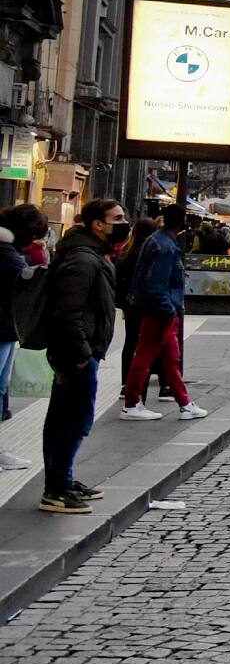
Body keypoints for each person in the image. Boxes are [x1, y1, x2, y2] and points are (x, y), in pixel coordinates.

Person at [38, 200, 127, 515]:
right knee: (74, 421)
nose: (123, 222)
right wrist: (82, 354)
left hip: (79, 349)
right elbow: (68, 310)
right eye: (116, 218)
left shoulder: (90, 255)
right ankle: (56, 490)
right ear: (97, 225)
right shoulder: (84, 259)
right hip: (76, 352)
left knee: (63, 419)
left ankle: (63, 479)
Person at [123, 212, 201, 420]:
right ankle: (132, 403)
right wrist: (169, 311)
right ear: (182, 226)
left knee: (170, 359)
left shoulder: (155, 240)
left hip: (158, 309)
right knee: (147, 356)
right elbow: (157, 284)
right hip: (162, 311)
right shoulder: (166, 247)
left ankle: (184, 403)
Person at [0, 203, 44, 470]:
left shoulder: (8, 249)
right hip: (2, 328)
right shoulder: (6, 252)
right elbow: (30, 281)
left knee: (1, 388)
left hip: (5, 328)